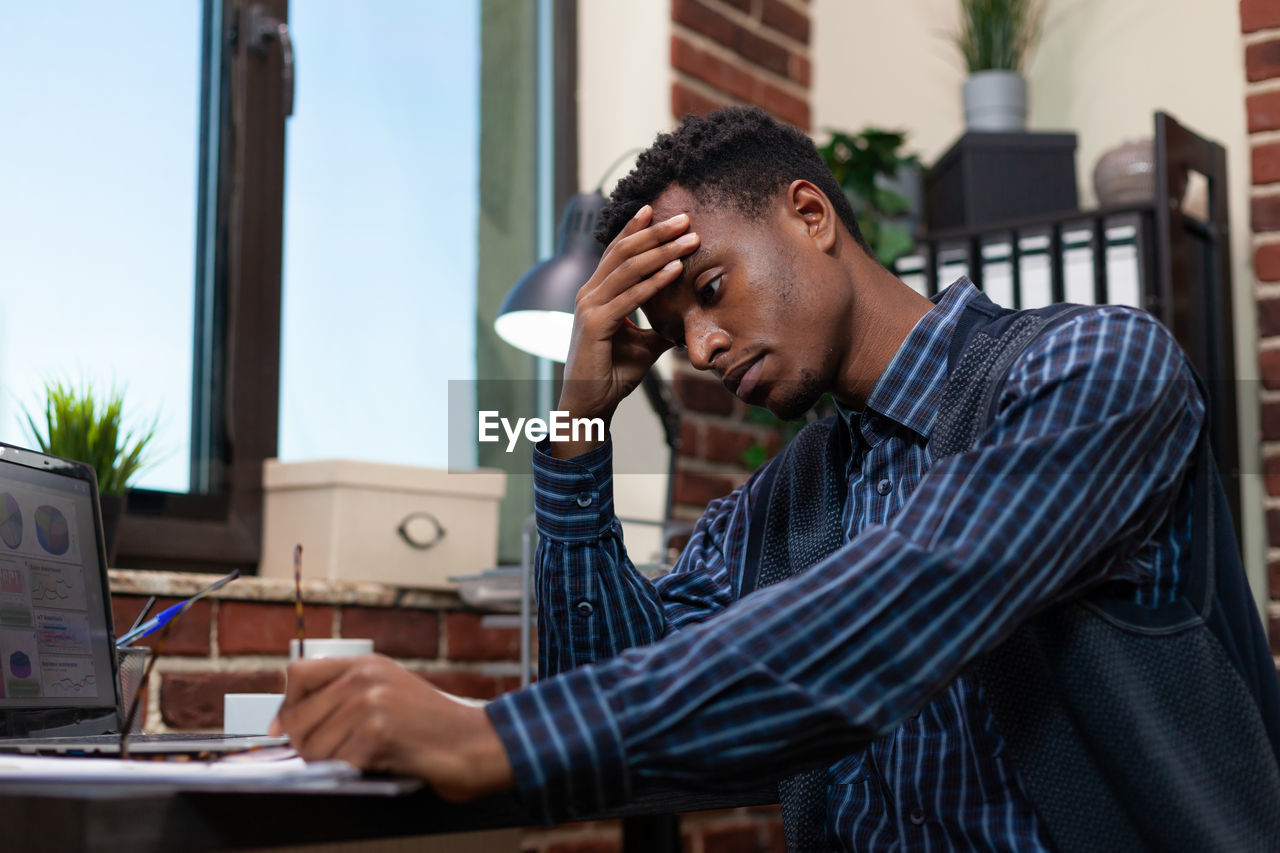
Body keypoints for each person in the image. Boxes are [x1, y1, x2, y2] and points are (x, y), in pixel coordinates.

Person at [273, 107, 1280, 851]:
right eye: (672, 334)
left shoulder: (1094, 371)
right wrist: (577, 430)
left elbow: (896, 610)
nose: (702, 345)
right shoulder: (784, 499)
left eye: (710, 290)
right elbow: (617, 706)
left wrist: (492, 736)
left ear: (807, 213)